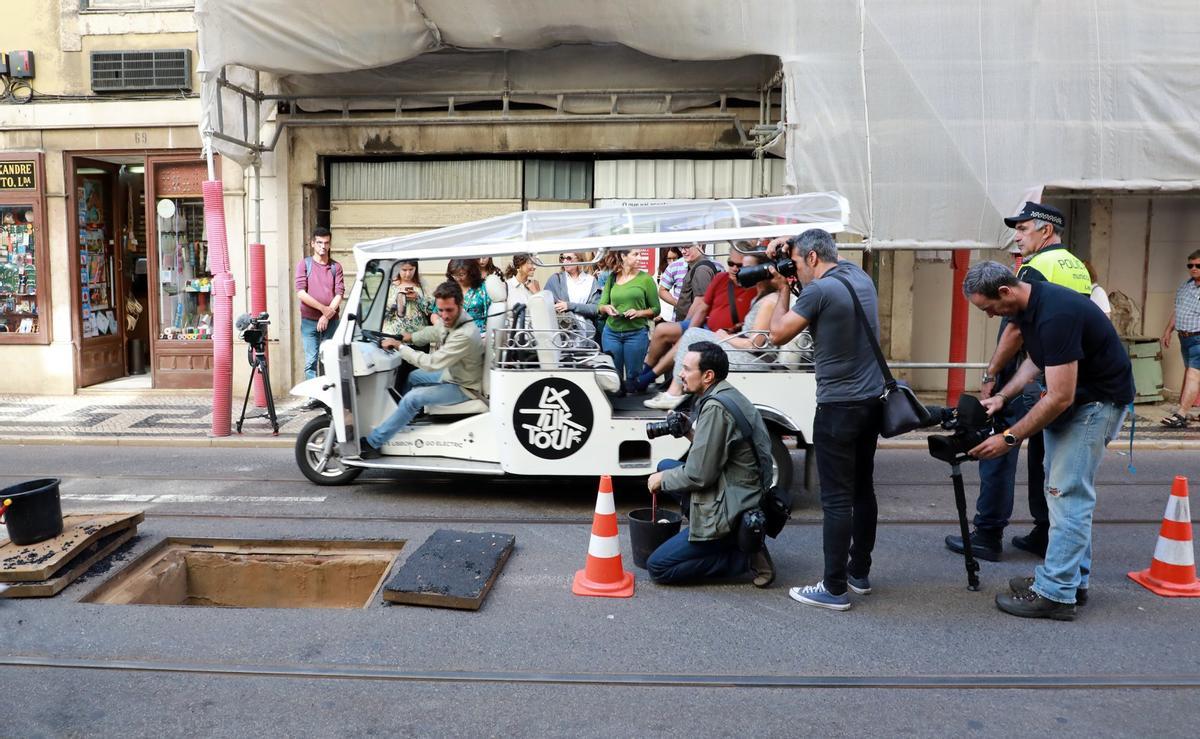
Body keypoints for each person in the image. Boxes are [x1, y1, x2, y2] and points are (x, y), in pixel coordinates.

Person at [964, 261, 1133, 620]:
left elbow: (1059, 396)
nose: (991, 316)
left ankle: (1056, 595)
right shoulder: (1029, 305)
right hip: (1079, 401)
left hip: (1093, 405)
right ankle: (1070, 579)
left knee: (1067, 494)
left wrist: (1009, 438)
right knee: (1060, 492)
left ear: (1005, 292)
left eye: (988, 308)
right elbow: (1036, 363)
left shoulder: (1056, 315)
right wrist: (1003, 397)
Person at [949, 201, 1091, 562]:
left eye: (1024, 228)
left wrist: (992, 373)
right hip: (1058, 371)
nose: (1017, 236)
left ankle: (988, 533)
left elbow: (1015, 329)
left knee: (999, 446)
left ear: (1046, 230)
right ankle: (1045, 532)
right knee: (1045, 456)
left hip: (1025, 374)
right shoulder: (1076, 266)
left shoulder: (1035, 267)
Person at [767, 228, 885, 611]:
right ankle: (858, 574)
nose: (796, 270)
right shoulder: (858, 277)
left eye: (798, 263)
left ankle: (833, 589)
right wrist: (792, 252)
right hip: (871, 402)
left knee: (835, 500)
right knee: (862, 489)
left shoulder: (818, 291)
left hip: (838, 406)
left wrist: (783, 287)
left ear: (813, 258)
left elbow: (777, 334)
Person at [646, 341, 775, 587]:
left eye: (685, 369)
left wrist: (661, 481)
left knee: (658, 567)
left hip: (734, 504)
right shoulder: (724, 393)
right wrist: (688, 432)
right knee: (666, 464)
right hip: (740, 487)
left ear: (708, 375)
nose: (680, 374)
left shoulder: (716, 408)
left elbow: (699, 474)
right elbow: (717, 454)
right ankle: (728, 537)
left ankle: (741, 557)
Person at [358, 281, 484, 459]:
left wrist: (401, 348)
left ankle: (373, 443)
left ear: (460, 305)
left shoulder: (465, 334)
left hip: (465, 387)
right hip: (453, 374)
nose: (444, 315)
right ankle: (406, 418)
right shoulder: (455, 319)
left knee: (411, 399)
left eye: (449, 310)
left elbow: (431, 363)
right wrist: (405, 337)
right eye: (440, 310)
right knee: (413, 377)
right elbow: (434, 332)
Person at [642, 250, 769, 409]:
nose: (736, 269)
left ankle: (670, 390)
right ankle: (646, 377)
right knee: (678, 332)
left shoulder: (765, 297)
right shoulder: (754, 290)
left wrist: (724, 336)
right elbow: (702, 307)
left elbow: (754, 343)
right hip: (725, 336)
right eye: (731, 264)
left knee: (692, 336)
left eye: (743, 267)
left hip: (747, 355)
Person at [598, 249, 660, 393]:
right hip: (611, 333)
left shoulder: (646, 279)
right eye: (635, 254)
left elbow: (656, 309)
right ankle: (615, 410)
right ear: (623, 256)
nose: (640, 257)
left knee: (634, 377)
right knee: (614, 376)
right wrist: (607, 308)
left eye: (639, 254)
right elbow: (600, 306)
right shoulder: (612, 277)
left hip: (636, 334)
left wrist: (639, 312)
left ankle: (634, 411)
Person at [295, 227, 345, 382]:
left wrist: (327, 315)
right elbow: (301, 292)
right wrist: (323, 310)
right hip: (309, 322)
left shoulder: (336, 267)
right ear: (312, 244)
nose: (323, 246)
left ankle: (328, 396)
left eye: (326, 243)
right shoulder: (304, 264)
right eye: (319, 242)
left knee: (329, 359)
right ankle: (313, 397)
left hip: (331, 322)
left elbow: (339, 293)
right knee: (311, 361)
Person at [1159, 249, 1200, 428]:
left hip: (1198, 338)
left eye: (1198, 265)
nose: (1194, 268)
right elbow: (1179, 310)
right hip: (1184, 338)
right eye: (1190, 265)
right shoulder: (1185, 286)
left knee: (1193, 375)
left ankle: (1181, 414)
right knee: (1194, 375)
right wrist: (1168, 330)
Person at [544, 251, 601, 323]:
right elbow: (544, 305)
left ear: (579, 259)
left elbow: (596, 309)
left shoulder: (591, 281)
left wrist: (569, 306)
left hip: (586, 331)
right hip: (563, 331)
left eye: (569, 258)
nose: (565, 261)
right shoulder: (555, 279)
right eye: (562, 258)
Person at [382, 260, 433, 336]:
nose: (408, 273)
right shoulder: (390, 285)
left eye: (411, 269)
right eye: (404, 270)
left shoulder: (421, 285)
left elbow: (431, 308)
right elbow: (381, 311)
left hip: (418, 335)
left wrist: (418, 298)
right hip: (393, 333)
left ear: (416, 268)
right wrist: (399, 299)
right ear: (397, 268)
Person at [447, 258, 491, 333]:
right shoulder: (448, 288)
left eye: (461, 275)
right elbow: (435, 313)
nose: (458, 279)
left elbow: (491, 315)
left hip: (477, 335)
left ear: (471, 272)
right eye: (454, 275)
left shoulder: (482, 288)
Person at [656, 245, 687, 321]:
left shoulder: (683, 270)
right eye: (669, 259)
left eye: (675, 258)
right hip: (662, 317)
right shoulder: (658, 273)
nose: (672, 262)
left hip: (676, 315)